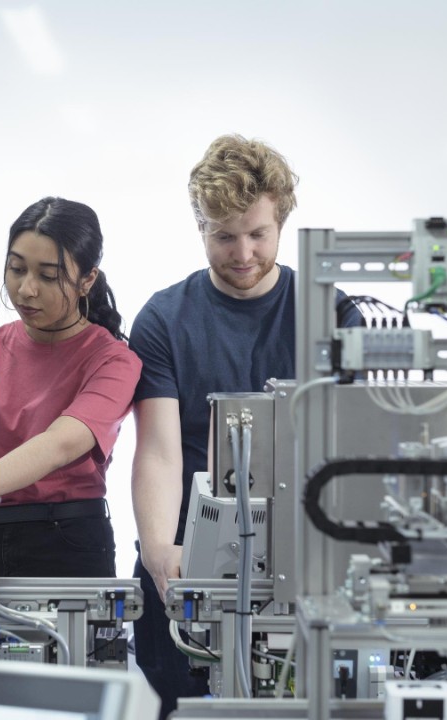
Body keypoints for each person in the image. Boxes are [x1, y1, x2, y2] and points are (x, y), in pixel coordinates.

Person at [128, 135, 363, 714]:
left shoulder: (330, 315)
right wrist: (162, 551)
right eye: (223, 234)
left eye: (257, 234)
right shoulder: (163, 318)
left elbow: (356, 450)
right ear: (199, 226)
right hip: (189, 561)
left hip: (304, 561)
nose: (242, 253)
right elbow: (159, 451)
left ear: (282, 221)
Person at [0, 197, 141, 578]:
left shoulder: (113, 360)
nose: (26, 290)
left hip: (66, 541)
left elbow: (59, 445)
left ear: (88, 280)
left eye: (48, 277)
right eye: (16, 269)